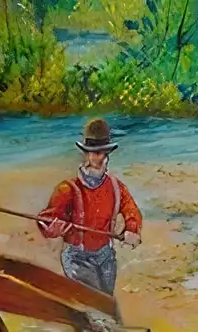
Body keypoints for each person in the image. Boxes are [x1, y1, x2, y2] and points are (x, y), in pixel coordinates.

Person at [37, 118, 142, 297]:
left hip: (106, 257)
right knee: (92, 302)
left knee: (106, 303)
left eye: (102, 153)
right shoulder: (67, 188)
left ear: (107, 155)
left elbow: (132, 211)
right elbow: (47, 220)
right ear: (85, 154)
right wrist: (53, 227)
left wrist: (132, 229)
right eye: (93, 153)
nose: (97, 158)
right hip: (77, 258)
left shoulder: (116, 187)